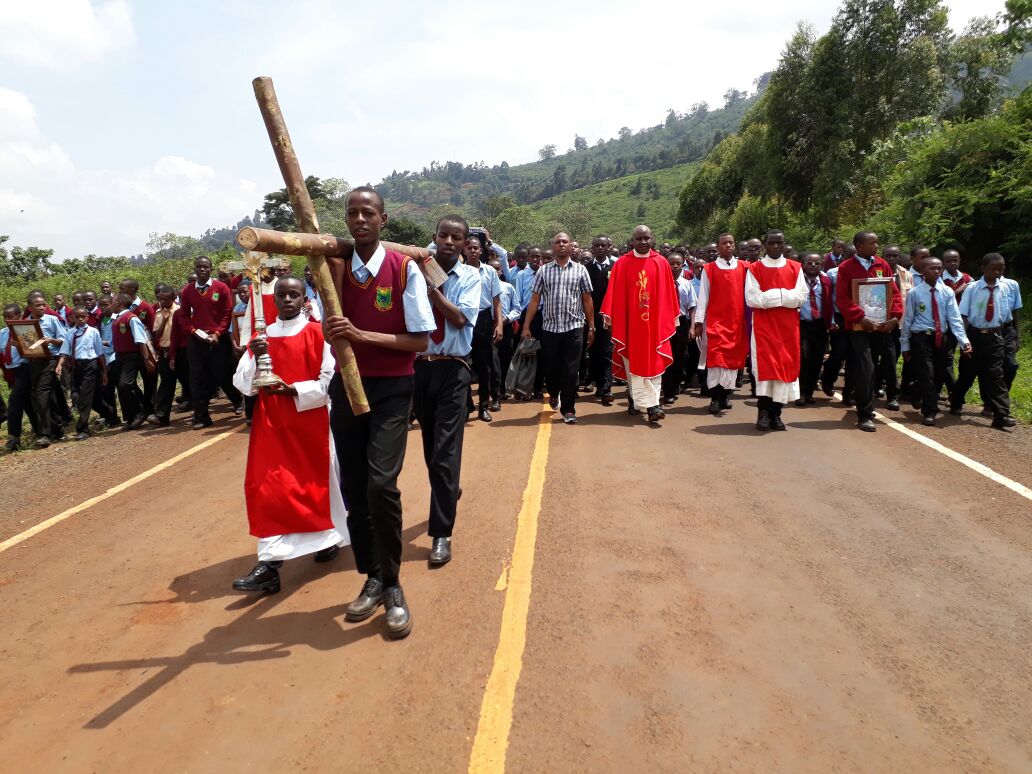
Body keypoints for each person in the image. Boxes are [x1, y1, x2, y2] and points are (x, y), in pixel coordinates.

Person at [323, 186, 435, 639]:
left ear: (383, 220)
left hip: (392, 388)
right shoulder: (333, 267)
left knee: (380, 483)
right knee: (352, 484)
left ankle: (393, 585)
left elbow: (420, 341)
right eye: (352, 213)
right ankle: (371, 575)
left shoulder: (403, 268)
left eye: (368, 213)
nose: (360, 220)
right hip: (347, 386)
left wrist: (360, 335)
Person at [231, 275, 348, 594]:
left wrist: (293, 389)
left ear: (303, 298)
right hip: (271, 425)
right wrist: (254, 356)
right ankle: (269, 565)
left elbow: (328, 382)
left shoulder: (317, 333)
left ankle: (326, 539)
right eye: (281, 295)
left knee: (313, 487)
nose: (286, 300)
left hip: (309, 423)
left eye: (293, 295)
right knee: (268, 488)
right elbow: (243, 384)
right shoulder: (262, 336)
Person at [413, 215, 480, 567]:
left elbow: (457, 318)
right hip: (419, 367)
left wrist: (430, 286)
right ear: (435, 237)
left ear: (465, 242)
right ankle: (448, 489)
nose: (449, 242)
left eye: (457, 237)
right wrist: (423, 268)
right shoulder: (417, 267)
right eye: (443, 235)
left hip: (454, 367)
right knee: (429, 447)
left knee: (444, 451)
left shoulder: (472, 276)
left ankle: (442, 532)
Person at [600, 225, 679, 424]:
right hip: (631, 325)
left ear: (652, 239)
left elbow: (668, 295)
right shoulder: (622, 263)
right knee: (633, 364)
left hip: (654, 325)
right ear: (632, 241)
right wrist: (610, 317)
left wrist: (671, 318)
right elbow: (614, 294)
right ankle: (639, 401)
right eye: (639, 238)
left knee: (655, 363)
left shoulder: (661, 263)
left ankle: (652, 405)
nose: (643, 242)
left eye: (646, 238)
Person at [521, 232, 595, 424]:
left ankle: (569, 409)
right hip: (550, 329)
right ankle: (553, 393)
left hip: (574, 328)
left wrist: (592, 327)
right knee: (552, 369)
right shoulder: (543, 271)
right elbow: (535, 299)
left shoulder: (580, 270)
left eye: (565, 242)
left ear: (570, 246)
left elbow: (587, 299)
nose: (561, 245)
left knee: (571, 372)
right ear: (553, 246)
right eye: (557, 242)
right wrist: (526, 326)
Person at [835, 232, 903, 432]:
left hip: (881, 328)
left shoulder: (882, 265)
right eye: (872, 243)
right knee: (866, 368)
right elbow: (843, 299)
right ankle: (865, 414)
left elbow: (895, 293)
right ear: (859, 246)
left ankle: (862, 394)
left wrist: (895, 316)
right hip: (859, 328)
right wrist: (859, 317)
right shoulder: (846, 268)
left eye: (876, 242)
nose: (876, 245)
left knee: (877, 366)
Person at [745, 230, 808, 431]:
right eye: (771, 243)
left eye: (778, 243)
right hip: (764, 327)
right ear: (765, 244)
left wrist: (772, 296)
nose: (775, 246)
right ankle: (763, 413)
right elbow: (752, 299)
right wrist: (784, 296)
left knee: (784, 368)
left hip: (788, 328)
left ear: (783, 244)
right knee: (766, 369)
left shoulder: (795, 267)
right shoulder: (755, 268)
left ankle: (777, 413)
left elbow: (801, 297)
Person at [950, 253, 1020, 430]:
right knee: (967, 373)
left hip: (995, 337)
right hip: (974, 335)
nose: (998, 272)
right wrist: (964, 340)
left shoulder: (1004, 288)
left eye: (1001, 269)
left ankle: (1001, 414)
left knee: (995, 376)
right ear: (983, 269)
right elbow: (963, 315)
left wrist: (1007, 337)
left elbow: (1006, 316)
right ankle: (956, 400)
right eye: (994, 269)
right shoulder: (972, 289)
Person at [900, 257, 971, 427]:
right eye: (932, 268)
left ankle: (916, 389)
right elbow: (908, 320)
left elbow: (954, 318)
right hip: (921, 337)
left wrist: (964, 341)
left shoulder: (947, 292)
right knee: (927, 373)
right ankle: (930, 411)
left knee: (940, 372)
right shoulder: (915, 293)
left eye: (939, 268)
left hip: (942, 337)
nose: (937, 271)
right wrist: (905, 344)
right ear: (923, 271)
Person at [179, 256, 241, 429]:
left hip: (217, 340)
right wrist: (192, 331)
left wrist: (218, 332)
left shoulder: (221, 288)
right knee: (197, 377)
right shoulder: (188, 290)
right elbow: (183, 315)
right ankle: (202, 416)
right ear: (195, 268)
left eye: (206, 267)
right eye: (199, 266)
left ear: (211, 269)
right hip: (197, 339)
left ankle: (237, 400)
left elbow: (227, 313)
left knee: (223, 374)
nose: (202, 269)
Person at [691, 233, 749, 415]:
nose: (728, 246)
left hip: (737, 322)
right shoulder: (709, 269)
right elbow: (703, 297)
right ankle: (715, 398)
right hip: (716, 322)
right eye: (724, 243)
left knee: (732, 362)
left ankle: (726, 396)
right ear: (718, 247)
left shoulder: (744, 267)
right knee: (716, 361)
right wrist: (699, 322)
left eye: (731, 243)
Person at [54, 306, 110, 440]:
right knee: (86, 397)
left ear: (87, 317)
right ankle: (110, 414)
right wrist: (59, 365)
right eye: (77, 317)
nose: (80, 319)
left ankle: (83, 429)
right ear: (72, 318)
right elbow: (65, 351)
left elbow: (100, 352)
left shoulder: (93, 332)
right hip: (75, 366)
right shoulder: (70, 333)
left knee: (84, 397)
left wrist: (104, 372)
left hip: (90, 365)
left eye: (83, 316)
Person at [465, 231, 503, 422]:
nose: (472, 251)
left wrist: (500, 324)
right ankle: (466, 405)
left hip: (483, 319)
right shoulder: (458, 270)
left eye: (475, 248)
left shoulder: (489, 272)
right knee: (462, 364)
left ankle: (484, 407)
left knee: (484, 365)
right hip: (462, 319)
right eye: (469, 247)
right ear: (464, 249)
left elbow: (497, 299)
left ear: (481, 251)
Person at [25, 291, 67, 447]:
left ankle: (44, 434)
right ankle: (59, 430)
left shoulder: (52, 320)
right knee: (50, 396)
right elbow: (26, 344)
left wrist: (51, 340)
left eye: (43, 304)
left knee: (41, 395)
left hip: (50, 361)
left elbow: (63, 340)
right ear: (30, 307)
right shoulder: (25, 323)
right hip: (34, 362)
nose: (42, 307)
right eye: (38, 305)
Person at [109, 292, 156, 431]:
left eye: (112, 301)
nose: (111, 304)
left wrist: (146, 359)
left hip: (132, 356)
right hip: (120, 356)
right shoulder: (117, 319)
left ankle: (141, 411)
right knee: (124, 385)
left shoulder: (131, 318)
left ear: (119, 303)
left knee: (125, 384)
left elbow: (141, 340)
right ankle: (135, 413)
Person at [797, 253, 835, 406]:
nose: (813, 265)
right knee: (803, 358)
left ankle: (809, 392)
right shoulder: (797, 279)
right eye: (809, 262)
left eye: (817, 263)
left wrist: (831, 322)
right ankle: (800, 392)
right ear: (803, 264)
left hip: (819, 324)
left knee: (816, 359)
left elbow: (830, 302)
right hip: (801, 324)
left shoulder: (825, 280)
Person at [661, 250, 697, 405]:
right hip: (664, 323)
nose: (675, 266)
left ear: (682, 264)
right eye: (671, 263)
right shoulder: (660, 283)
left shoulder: (686, 284)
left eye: (678, 264)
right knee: (666, 356)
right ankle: (666, 390)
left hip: (681, 323)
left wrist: (692, 327)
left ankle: (675, 386)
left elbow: (692, 307)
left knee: (679, 356)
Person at [1, 303, 35, 451]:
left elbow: (34, 353)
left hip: (25, 369)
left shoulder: (26, 330)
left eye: (11, 317)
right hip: (11, 372)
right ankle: (40, 429)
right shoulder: (2, 333)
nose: (8, 320)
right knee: (27, 402)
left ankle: (13, 437)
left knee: (14, 403)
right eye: (5, 317)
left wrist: (20, 345)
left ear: (19, 316)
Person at [586, 235, 614, 405]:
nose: (600, 248)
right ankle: (596, 383)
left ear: (609, 247)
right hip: (591, 315)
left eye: (603, 245)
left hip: (610, 316)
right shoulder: (586, 267)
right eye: (597, 245)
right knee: (594, 352)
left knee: (607, 351)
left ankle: (606, 389)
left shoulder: (616, 266)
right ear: (593, 248)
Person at [150, 283, 179, 426]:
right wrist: (165, 319)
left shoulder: (179, 311)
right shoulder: (158, 313)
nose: (163, 302)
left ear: (173, 298)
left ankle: (199, 412)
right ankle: (162, 416)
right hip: (165, 351)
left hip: (180, 352)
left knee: (189, 380)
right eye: (161, 299)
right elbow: (157, 334)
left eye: (166, 299)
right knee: (166, 384)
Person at [493, 257, 521, 396]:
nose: (495, 271)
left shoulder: (508, 287)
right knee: (492, 361)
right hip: (489, 328)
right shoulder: (481, 286)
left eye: (497, 269)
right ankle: (495, 390)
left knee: (505, 359)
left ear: (501, 270)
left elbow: (517, 309)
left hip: (506, 328)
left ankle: (504, 388)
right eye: (492, 269)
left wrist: (506, 319)